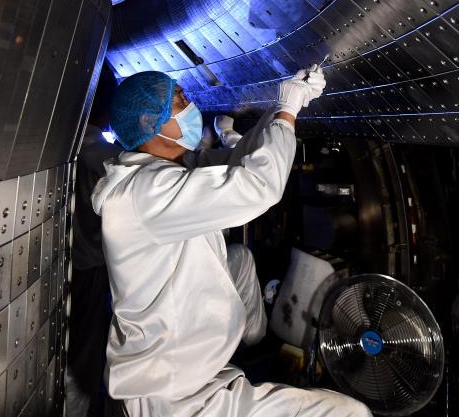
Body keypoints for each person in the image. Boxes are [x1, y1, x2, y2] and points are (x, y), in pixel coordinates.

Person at [91, 65, 372, 417]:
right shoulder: (146, 192)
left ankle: (254, 343)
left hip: (188, 371)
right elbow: (256, 185)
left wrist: (282, 109)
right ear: (150, 123)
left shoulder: (161, 172)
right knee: (350, 413)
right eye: (180, 99)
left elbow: (236, 162)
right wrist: (287, 111)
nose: (191, 104)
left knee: (238, 259)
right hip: (175, 395)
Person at [68, 67, 120, 417]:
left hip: (71, 262)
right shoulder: (99, 150)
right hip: (91, 266)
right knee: (86, 351)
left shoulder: (69, 142)